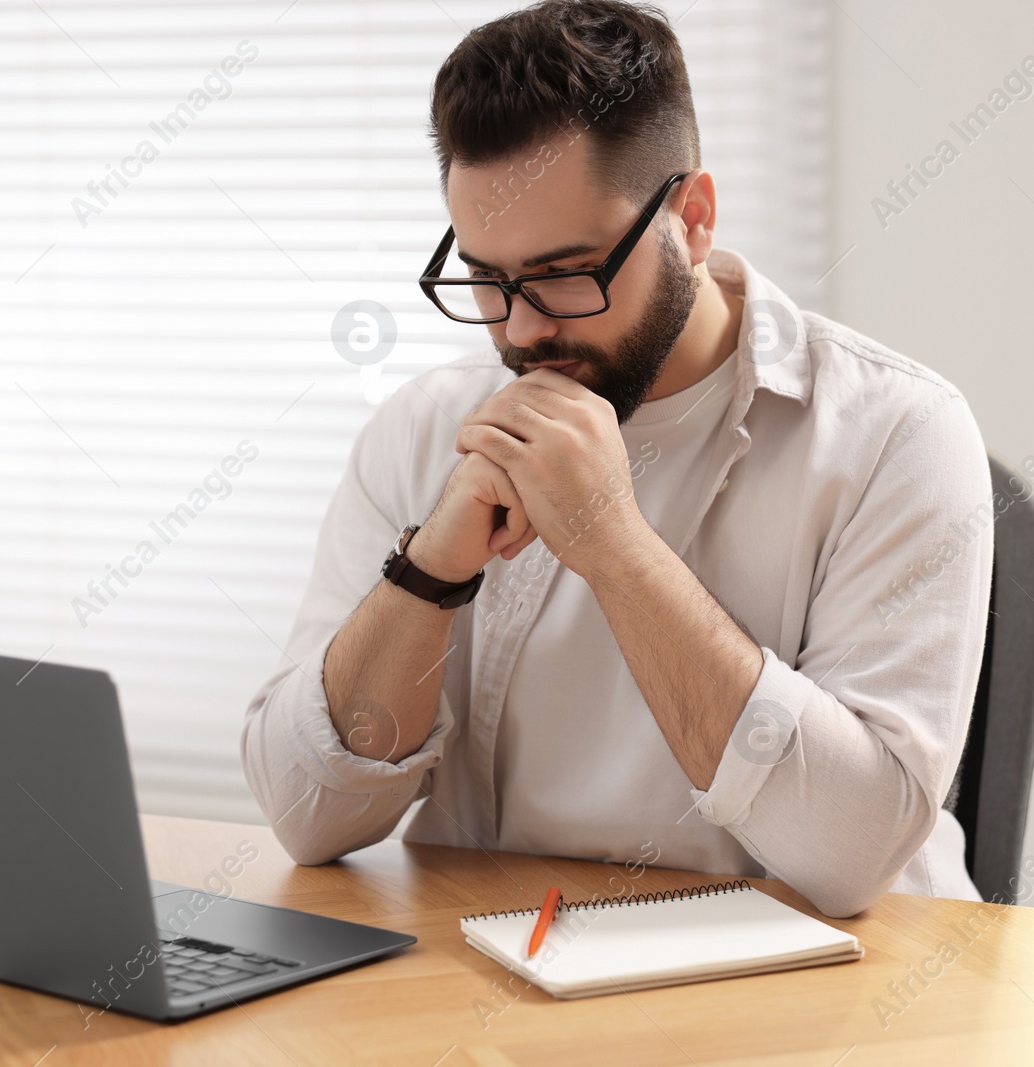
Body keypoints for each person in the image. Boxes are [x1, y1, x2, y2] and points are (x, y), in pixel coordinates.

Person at [241, 0, 992, 917]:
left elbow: (850, 852)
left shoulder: (897, 434)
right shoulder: (427, 426)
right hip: (488, 988)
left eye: (565, 272)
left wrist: (613, 544)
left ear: (694, 218)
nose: (520, 328)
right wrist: (429, 570)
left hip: (816, 1002)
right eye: (485, 278)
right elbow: (306, 818)